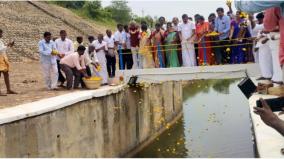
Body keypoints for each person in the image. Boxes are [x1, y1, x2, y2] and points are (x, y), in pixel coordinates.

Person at [235, 1, 284, 82]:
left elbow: (267, 26)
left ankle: (273, 77)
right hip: (262, 42)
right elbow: (250, 28)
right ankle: (267, 75)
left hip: (270, 40)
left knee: (271, 60)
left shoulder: (247, 20)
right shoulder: (248, 21)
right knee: (261, 59)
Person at [0, 29, 16, 95]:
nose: (2, 35)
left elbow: (3, 49)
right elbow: (0, 49)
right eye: (1, 33)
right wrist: (7, 45)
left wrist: (9, 45)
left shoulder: (0, 40)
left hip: (3, 58)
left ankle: (8, 89)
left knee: (6, 74)